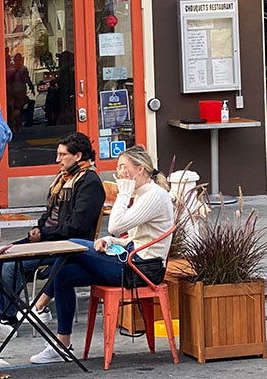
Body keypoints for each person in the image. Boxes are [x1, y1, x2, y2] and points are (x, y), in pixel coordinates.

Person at [27, 146, 173, 365]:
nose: (119, 173)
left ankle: (39, 304)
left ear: (140, 169)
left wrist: (123, 193)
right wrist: (110, 241)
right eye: (117, 168)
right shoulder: (142, 194)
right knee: (64, 274)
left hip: (141, 270)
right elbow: (132, 238)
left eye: (124, 167)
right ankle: (61, 344)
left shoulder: (153, 196)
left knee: (72, 245)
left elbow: (115, 226)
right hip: (130, 259)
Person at [0, 132, 105, 337]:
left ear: (78, 156)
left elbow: (76, 226)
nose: (57, 160)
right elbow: (50, 213)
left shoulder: (89, 182)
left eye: (62, 155)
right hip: (48, 236)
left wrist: (44, 233)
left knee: (11, 264)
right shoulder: (63, 178)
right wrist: (39, 228)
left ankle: (9, 317)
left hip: (65, 244)